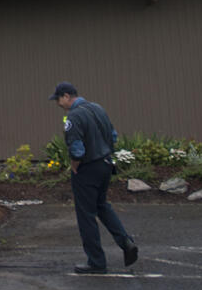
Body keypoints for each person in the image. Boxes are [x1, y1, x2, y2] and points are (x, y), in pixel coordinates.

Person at [49, 81, 139, 274]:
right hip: (106, 164)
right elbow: (113, 136)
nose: (58, 104)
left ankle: (96, 261)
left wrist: (74, 166)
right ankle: (125, 242)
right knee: (102, 206)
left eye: (58, 99)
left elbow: (77, 149)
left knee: (86, 214)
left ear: (66, 96)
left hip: (87, 168)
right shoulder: (98, 108)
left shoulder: (73, 117)